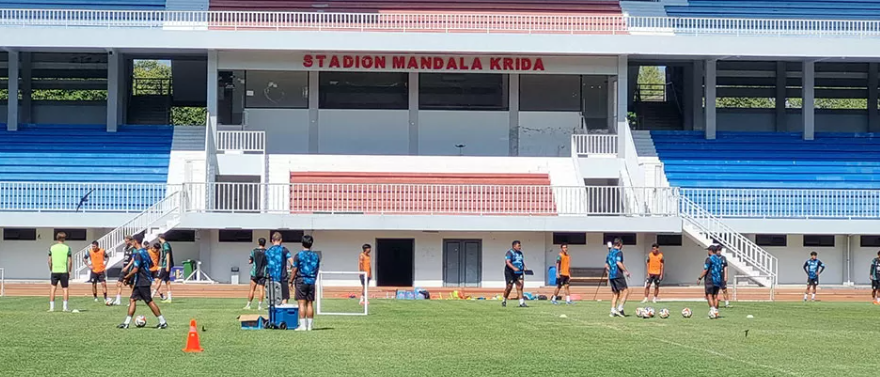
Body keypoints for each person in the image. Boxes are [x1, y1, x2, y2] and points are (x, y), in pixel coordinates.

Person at [118, 237, 167, 329]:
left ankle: (162, 322)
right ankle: (126, 323)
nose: (131, 243)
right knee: (132, 299)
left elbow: (135, 269)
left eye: (132, 241)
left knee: (149, 301)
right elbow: (151, 264)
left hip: (142, 280)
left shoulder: (138, 253)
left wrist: (127, 276)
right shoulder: (146, 252)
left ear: (135, 241)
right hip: (143, 280)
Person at [291, 235, 321, 331]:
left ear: (302, 243)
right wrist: (314, 279)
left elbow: (294, 269)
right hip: (311, 281)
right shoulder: (316, 256)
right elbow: (317, 269)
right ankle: (310, 326)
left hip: (301, 280)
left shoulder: (298, 255)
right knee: (310, 304)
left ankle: (303, 325)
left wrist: (291, 280)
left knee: (301, 303)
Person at [265, 232, 293, 305]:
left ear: (272, 240)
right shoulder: (284, 250)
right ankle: (282, 313)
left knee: (272, 298)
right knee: (284, 297)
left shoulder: (267, 251)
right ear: (281, 240)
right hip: (282, 278)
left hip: (271, 278)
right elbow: (292, 262)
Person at [48, 232, 73, 312]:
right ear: (64, 239)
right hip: (63, 271)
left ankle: (51, 308)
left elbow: (49, 260)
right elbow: (70, 261)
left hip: (55, 270)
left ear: (57, 238)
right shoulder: (67, 248)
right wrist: (69, 270)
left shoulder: (52, 248)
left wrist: (51, 268)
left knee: (53, 288)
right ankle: (65, 307)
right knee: (65, 289)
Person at [605, 238, 630, 317]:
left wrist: (610, 269)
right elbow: (618, 262)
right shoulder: (619, 252)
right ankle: (620, 307)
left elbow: (606, 265)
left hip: (611, 275)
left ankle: (612, 311)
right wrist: (626, 271)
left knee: (615, 293)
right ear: (620, 244)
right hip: (618, 274)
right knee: (625, 290)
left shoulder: (610, 253)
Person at [698, 246, 723, 318]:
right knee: (715, 296)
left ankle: (712, 310)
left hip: (710, 279)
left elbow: (706, 269)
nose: (707, 252)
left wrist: (700, 278)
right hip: (718, 280)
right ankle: (716, 311)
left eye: (708, 250)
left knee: (709, 295)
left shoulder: (709, 259)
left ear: (710, 251)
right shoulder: (719, 259)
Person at [112, 236, 136, 306]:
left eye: (127, 241)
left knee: (131, 286)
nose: (125, 242)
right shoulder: (125, 248)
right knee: (119, 284)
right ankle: (118, 300)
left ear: (130, 241)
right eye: (125, 241)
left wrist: (128, 266)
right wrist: (124, 266)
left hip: (130, 269)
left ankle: (131, 301)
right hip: (124, 268)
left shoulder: (134, 249)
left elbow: (133, 259)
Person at [245, 238, 268, 310]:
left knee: (252, 289)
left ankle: (248, 305)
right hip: (263, 273)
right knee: (261, 289)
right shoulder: (267, 252)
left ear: (258, 243)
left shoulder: (254, 251)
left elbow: (250, 261)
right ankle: (260, 306)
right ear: (265, 243)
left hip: (254, 272)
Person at [502, 240, 527, 308]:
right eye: (518, 245)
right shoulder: (509, 253)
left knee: (520, 286)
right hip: (510, 272)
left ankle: (522, 302)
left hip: (519, 272)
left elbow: (521, 261)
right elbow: (507, 262)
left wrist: (524, 267)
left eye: (520, 245)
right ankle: (504, 299)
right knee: (509, 287)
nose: (520, 247)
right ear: (514, 246)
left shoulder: (520, 253)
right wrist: (514, 268)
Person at [155, 233, 174, 302]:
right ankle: (169, 298)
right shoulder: (165, 244)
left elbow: (167, 255)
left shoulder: (165, 245)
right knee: (167, 281)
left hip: (165, 265)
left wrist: (167, 265)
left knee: (159, 280)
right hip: (166, 265)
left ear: (160, 238)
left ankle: (151, 296)